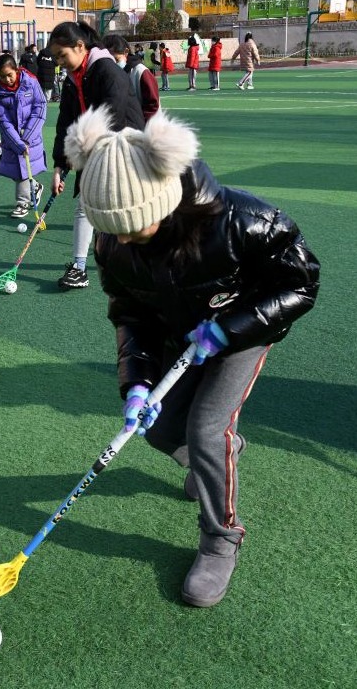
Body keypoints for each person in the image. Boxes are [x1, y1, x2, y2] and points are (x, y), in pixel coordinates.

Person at [64, 105, 320, 608]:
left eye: (135, 227)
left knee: (206, 430)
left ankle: (221, 537)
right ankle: (218, 459)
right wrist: (136, 381)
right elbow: (129, 312)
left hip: (241, 332)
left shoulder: (243, 220)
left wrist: (229, 330)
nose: (122, 238)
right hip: (176, 332)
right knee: (157, 429)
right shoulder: (114, 243)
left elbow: (301, 283)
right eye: (111, 229)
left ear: (164, 199)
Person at [49, 21, 144, 290]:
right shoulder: (72, 79)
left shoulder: (107, 70)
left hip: (123, 147)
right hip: (92, 148)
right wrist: (59, 165)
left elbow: (112, 117)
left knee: (130, 208)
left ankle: (146, 261)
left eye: (62, 55)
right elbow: (66, 122)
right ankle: (80, 268)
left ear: (80, 46)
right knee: (85, 205)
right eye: (56, 57)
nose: (60, 62)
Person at [0, 54, 46, 218]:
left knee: (22, 170)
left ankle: (23, 204)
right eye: (2, 76)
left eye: (9, 75)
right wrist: (18, 143)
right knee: (15, 171)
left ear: (16, 70)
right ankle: (34, 187)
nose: (7, 79)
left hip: (31, 135)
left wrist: (27, 137)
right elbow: (3, 121)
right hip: (12, 139)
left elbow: (40, 108)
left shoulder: (31, 82)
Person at [103, 34, 159, 122]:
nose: (113, 65)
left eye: (116, 60)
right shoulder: (105, 74)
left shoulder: (140, 72)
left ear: (126, 52)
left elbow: (153, 107)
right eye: (109, 61)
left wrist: (141, 127)